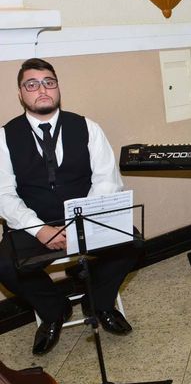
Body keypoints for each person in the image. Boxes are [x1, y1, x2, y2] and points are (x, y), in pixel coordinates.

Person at [0, 58, 137, 355]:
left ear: (58, 87)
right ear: (20, 93)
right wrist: (40, 230)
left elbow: (106, 180)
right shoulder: (4, 136)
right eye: (32, 84)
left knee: (133, 243)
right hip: (33, 222)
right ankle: (54, 310)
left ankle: (98, 303)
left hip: (85, 215)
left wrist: (79, 221)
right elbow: (5, 195)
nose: (42, 89)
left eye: (49, 82)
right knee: (4, 266)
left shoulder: (88, 127)